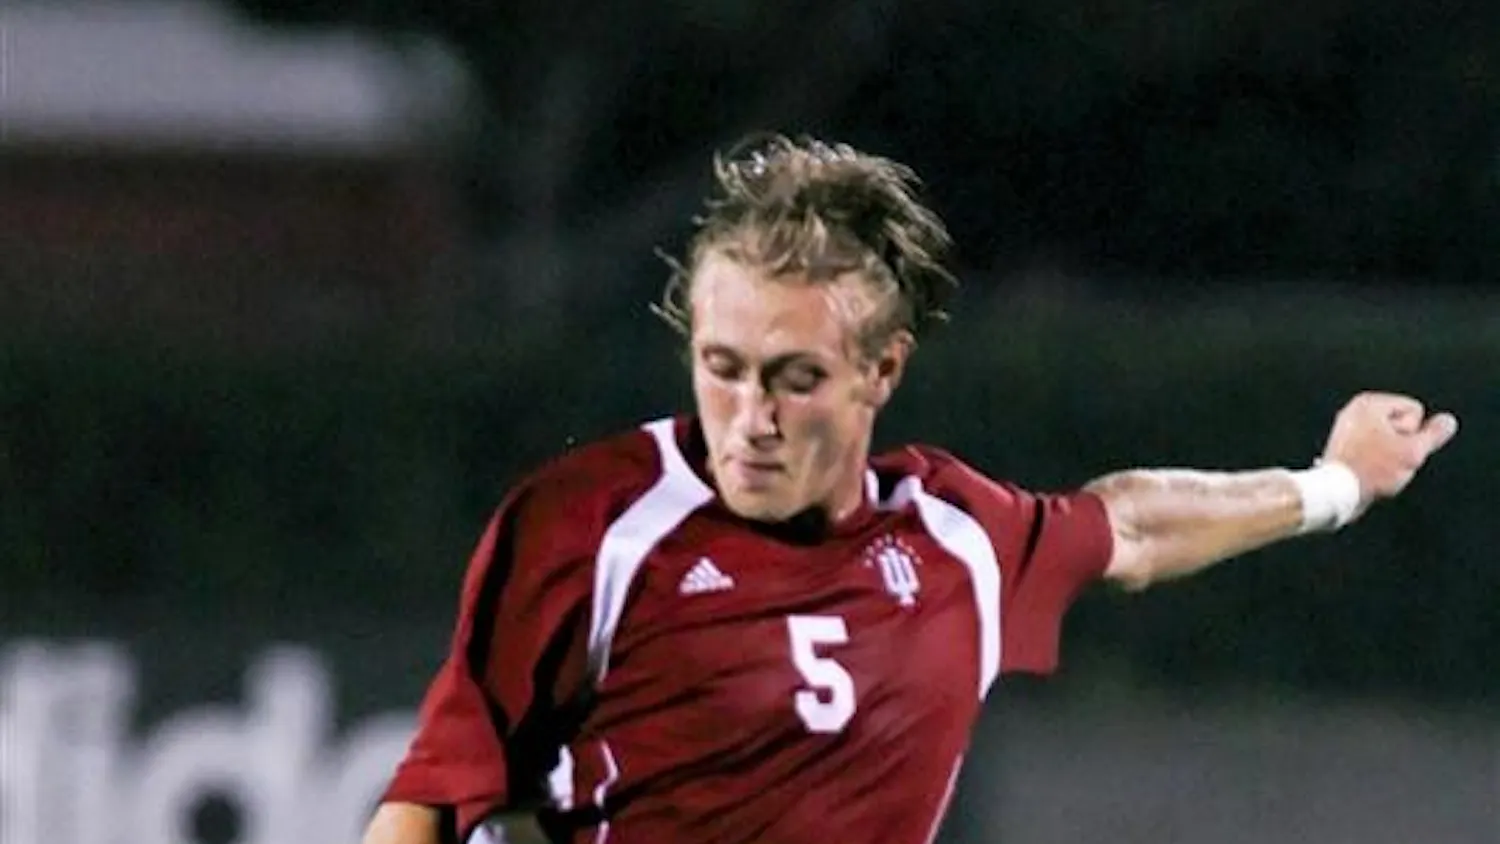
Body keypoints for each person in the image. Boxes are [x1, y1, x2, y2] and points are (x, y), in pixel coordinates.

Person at [361, 135, 1458, 844]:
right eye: (722, 367)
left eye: (796, 378)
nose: (751, 416)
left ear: (881, 370)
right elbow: (432, 803)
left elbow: (1126, 526)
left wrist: (1336, 484)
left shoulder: (954, 536)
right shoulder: (590, 525)